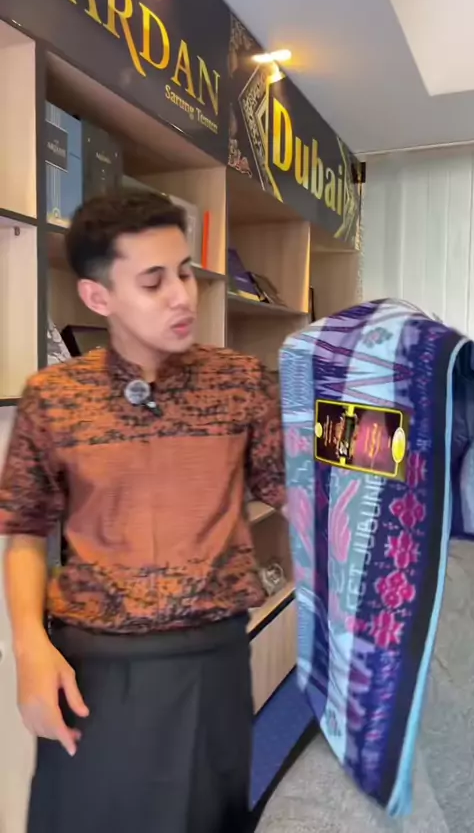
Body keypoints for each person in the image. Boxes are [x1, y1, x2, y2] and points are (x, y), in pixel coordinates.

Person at [0, 190, 286, 833]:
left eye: (184, 272)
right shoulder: (55, 398)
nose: (182, 296)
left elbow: (296, 498)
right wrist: (29, 649)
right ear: (98, 297)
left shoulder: (240, 382)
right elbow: (23, 533)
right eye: (153, 282)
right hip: (93, 669)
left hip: (209, 663)